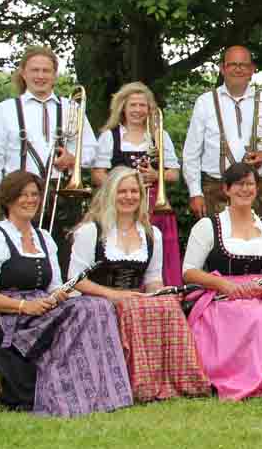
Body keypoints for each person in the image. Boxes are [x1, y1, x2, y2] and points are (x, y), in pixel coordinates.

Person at [0, 172, 133, 416]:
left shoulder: (44, 238)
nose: (30, 200)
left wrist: (61, 294)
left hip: (40, 309)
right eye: (23, 195)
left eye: (34, 195)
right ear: (8, 199)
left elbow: (53, 285)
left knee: (96, 306)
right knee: (82, 311)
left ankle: (101, 391)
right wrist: (23, 306)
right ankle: (63, 390)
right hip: (1, 318)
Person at [69, 167, 209, 403]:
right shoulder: (90, 231)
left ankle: (176, 380)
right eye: (122, 191)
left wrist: (160, 292)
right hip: (96, 298)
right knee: (131, 308)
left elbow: (153, 279)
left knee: (169, 306)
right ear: (110, 194)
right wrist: (113, 295)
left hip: (135, 298)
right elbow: (76, 279)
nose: (129, 196)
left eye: (134, 191)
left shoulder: (152, 233)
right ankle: (136, 384)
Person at [183, 162, 262, 400]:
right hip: (222, 294)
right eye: (239, 184)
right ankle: (236, 377)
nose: (245, 190)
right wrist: (226, 286)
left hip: (261, 293)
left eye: (250, 184)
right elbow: (189, 272)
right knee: (244, 316)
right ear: (227, 189)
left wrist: (261, 289)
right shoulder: (208, 226)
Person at [0, 46, 98, 275]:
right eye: (35, 70)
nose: (41, 76)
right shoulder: (5, 110)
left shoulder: (71, 107)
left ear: (55, 74)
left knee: (64, 261)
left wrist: (73, 159)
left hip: (62, 195)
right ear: (23, 73)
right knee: (18, 263)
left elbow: (92, 151)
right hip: (19, 195)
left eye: (46, 70)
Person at [181, 45, 262, 220]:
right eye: (233, 64)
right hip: (215, 189)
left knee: (257, 245)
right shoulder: (205, 102)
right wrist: (195, 192)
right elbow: (191, 153)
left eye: (244, 65)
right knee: (215, 245)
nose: (238, 69)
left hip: (256, 188)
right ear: (222, 68)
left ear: (252, 70)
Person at [91, 82, 182, 286]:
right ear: (122, 107)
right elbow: (97, 174)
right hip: (119, 203)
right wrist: (122, 185)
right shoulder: (109, 137)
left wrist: (157, 175)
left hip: (153, 204)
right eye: (133, 105)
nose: (138, 110)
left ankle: (161, 294)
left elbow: (174, 174)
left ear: (149, 109)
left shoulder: (159, 136)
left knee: (158, 249)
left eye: (143, 105)